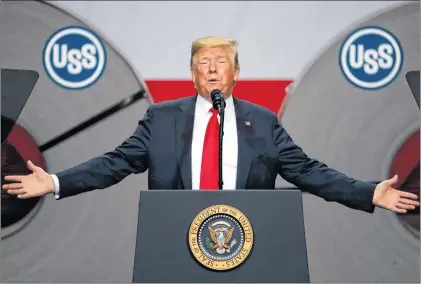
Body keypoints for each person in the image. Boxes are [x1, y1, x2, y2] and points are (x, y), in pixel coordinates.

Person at [2, 36, 419, 214]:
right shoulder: (162, 119)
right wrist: (55, 182)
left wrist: (368, 192)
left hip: (248, 241)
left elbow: (308, 172)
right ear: (193, 73)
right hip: (174, 241)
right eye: (205, 62)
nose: (213, 68)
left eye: (222, 62)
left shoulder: (264, 122)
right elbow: (115, 163)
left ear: (236, 73)